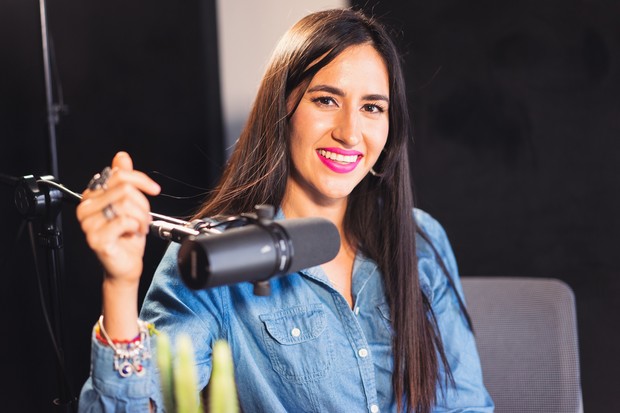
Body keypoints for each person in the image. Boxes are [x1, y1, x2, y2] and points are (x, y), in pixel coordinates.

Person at [76, 8, 494, 413]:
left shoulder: (420, 239)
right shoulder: (214, 255)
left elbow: (466, 405)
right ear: (282, 108)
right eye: (326, 100)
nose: (350, 133)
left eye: (372, 107)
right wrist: (120, 284)